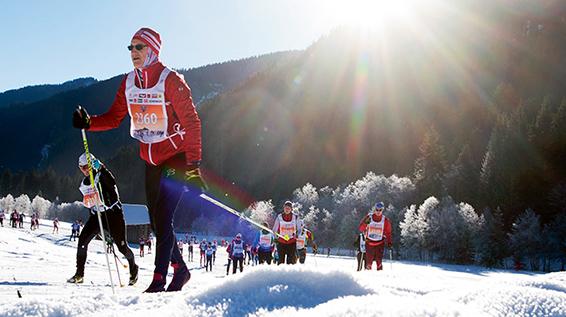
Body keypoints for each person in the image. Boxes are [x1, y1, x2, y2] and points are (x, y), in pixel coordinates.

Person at [72, 27, 206, 293]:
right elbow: (114, 117)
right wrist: (89, 122)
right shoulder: (128, 83)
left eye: (139, 47)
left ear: (153, 50)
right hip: (151, 160)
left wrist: (193, 167)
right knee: (156, 222)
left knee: (164, 216)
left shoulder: (172, 81)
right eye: (130, 48)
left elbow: (192, 123)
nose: (133, 52)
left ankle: (158, 279)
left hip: (177, 157)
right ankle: (180, 269)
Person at [67, 153, 139, 286]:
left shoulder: (102, 175)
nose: (84, 171)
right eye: (81, 168)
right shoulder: (85, 183)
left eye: (86, 167)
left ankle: (134, 269)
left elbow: (112, 183)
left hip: (113, 215)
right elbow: (89, 201)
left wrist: (101, 168)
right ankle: (79, 274)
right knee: (82, 241)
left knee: (122, 247)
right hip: (97, 215)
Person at [358, 201, 392, 271]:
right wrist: (365, 223)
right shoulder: (369, 217)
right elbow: (361, 229)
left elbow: (388, 232)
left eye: (380, 210)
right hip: (369, 243)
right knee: (369, 263)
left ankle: (379, 277)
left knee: (379, 262)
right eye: (377, 209)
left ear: (382, 210)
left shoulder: (385, 220)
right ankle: (368, 275)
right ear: (375, 209)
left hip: (380, 243)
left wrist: (389, 242)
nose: (378, 211)